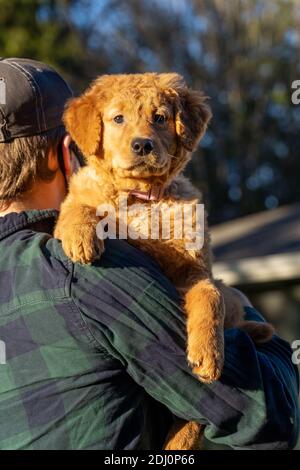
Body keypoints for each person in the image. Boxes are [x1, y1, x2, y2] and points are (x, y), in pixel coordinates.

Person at [0, 57, 298, 450]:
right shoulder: (95, 271)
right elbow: (272, 417)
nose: (141, 136)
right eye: (118, 120)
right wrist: (245, 315)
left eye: (159, 119)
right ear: (69, 148)